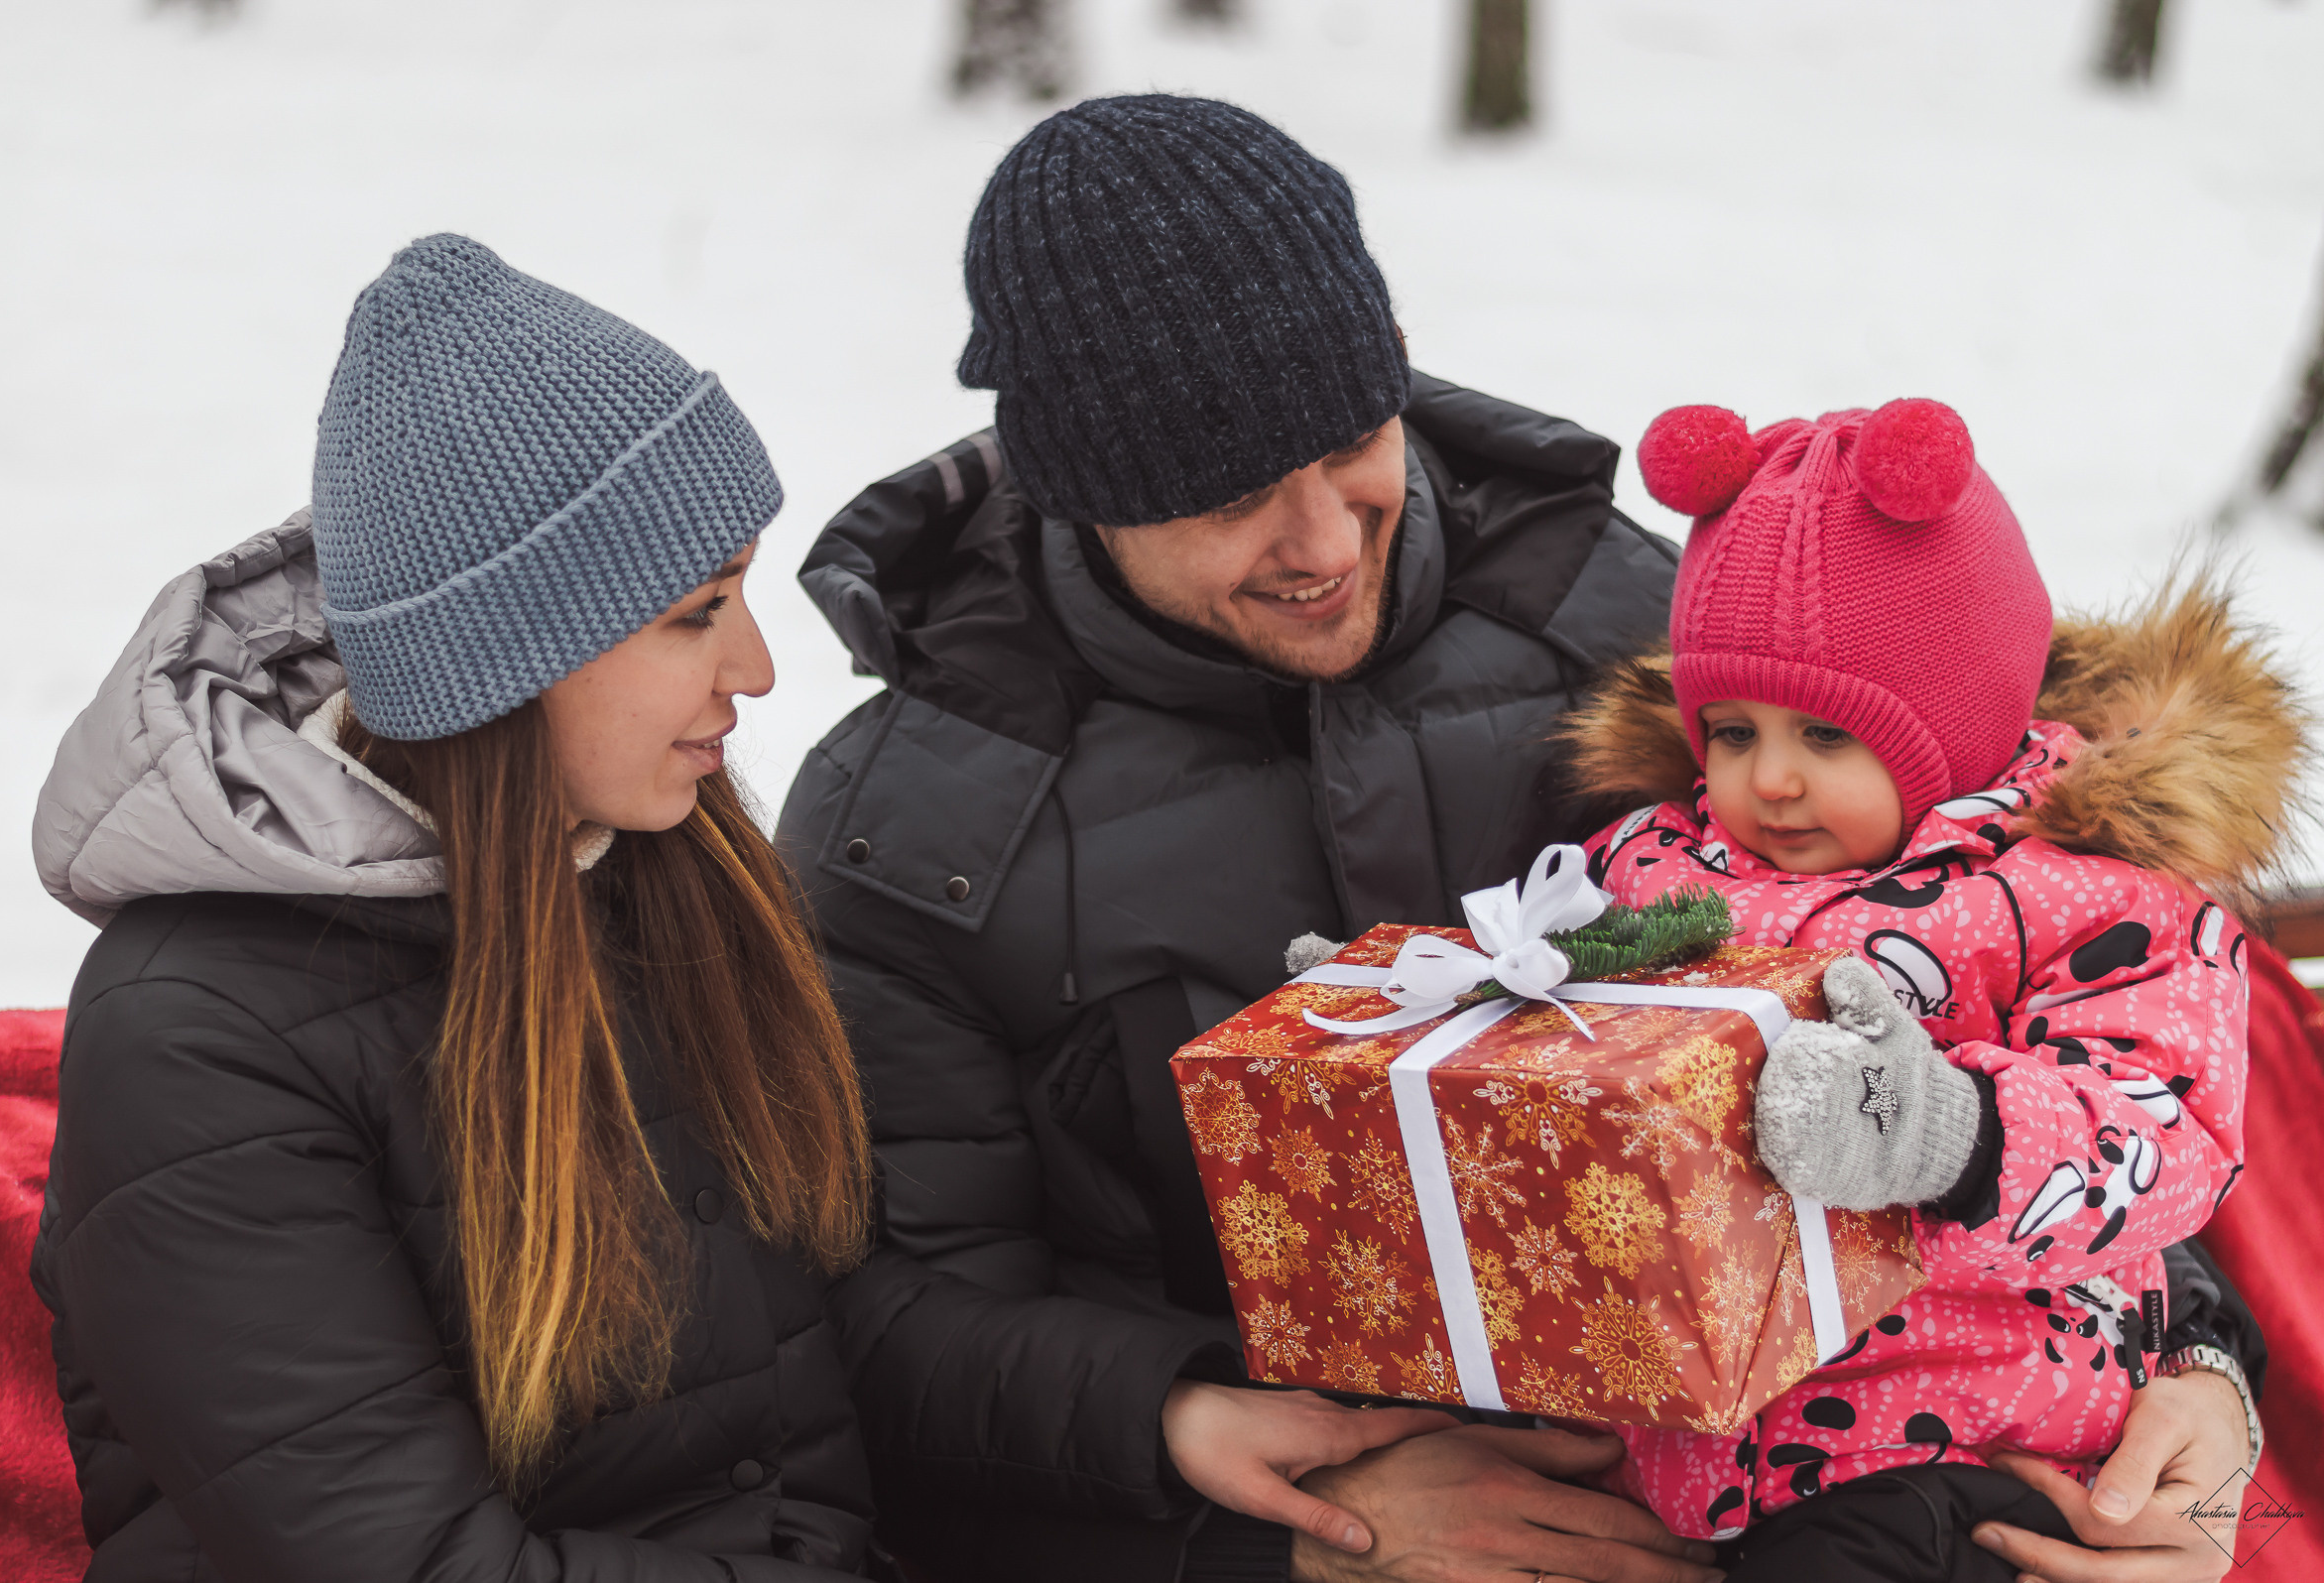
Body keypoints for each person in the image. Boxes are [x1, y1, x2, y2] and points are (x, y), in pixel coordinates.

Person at [777, 96, 2271, 1583]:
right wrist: (1293, 1529)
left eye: (1355, 443)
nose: (1324, 541)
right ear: (1082, 494)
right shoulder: (914, 830)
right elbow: (895, 1337)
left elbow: (1998, 966)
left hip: (1810, 1470)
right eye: (1234, 502)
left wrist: (2200, 1376)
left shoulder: (1611, 632)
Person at [25, 234, 1434, 1582]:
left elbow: (813, 1332)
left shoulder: (648, 882)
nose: (755, 670)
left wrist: (1165, 1416)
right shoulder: (198, 1041)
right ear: (512, 661)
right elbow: (404, 1560)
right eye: (697, 611)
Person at [1560, 400, 2289, 1579]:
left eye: (1830, 737)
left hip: (1966, 1433)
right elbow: (1565, 1017)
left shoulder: (2089, 896)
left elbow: (2163, 1123)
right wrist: (1437, 1007)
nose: (1772, 779)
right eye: (1733, 731)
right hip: (1692, 1429)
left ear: (1964, 722)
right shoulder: (1652, 860)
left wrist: (1949, 1133)